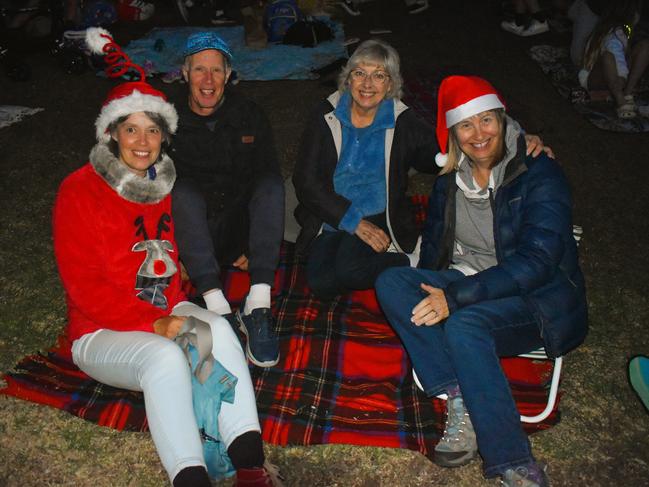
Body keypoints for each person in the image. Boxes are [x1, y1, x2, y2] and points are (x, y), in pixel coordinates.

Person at [53, 28, 279, 487]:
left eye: (152, 129)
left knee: (218, 328)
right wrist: (156, 323)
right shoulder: (79, 189)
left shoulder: (162, 185)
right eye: (130, 128)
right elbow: (84, 288)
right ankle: (189, 475)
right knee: (166, 359)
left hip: (164, 310)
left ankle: (248, 461)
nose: (142, 140)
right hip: (102, 330)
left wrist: (182, 311)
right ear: (112, 133)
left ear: (163, 136)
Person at [375, 75, 587, 487]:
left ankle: (512, 460)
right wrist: (418, 273)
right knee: (392, 283)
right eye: (466, 125)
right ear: (453, 134)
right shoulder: (449, 183)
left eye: (487, 120)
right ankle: (459, 394)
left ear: (504, 121)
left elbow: (538, 262)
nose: (478, 134)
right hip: (468, 281)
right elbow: (436, 246)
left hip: (533, 297)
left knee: (464, 324)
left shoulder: (538, 172)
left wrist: (455, 298)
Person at [292, 39, 548, 300]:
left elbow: (444, 147)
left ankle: (413, 262)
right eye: (360, 74)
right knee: (321, 282)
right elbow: (305, 180)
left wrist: (518, 138)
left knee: (350, 270)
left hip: (380, 213)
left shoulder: (401, 120)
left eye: (379, 76)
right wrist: (352, 222)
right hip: (334, 214)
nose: (368, 84)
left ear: (390, 84)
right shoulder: (326, 115)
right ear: (348, 79)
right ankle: (375, 257)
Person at [170, 32, 284, 368]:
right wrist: (168, 250)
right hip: (191, 234)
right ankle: (218, 308)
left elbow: (266, 176)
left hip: (237, 229)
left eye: (217, 71)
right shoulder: (165, 117)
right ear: (185, 73)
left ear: (229, 75)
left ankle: (258, 303)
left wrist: (249, 243)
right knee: (182, 189)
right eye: (199, 70)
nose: (208, 80)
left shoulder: (249, 114)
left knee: (272, 183)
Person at [579, 0, 649, 119]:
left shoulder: (625, 29)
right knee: (608, 57)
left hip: (615, 76)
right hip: (596, 79)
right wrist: (622, 77)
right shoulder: (614, 33)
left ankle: (627, 93)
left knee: (645, 47)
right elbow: (617, 57)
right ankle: (620, 100)